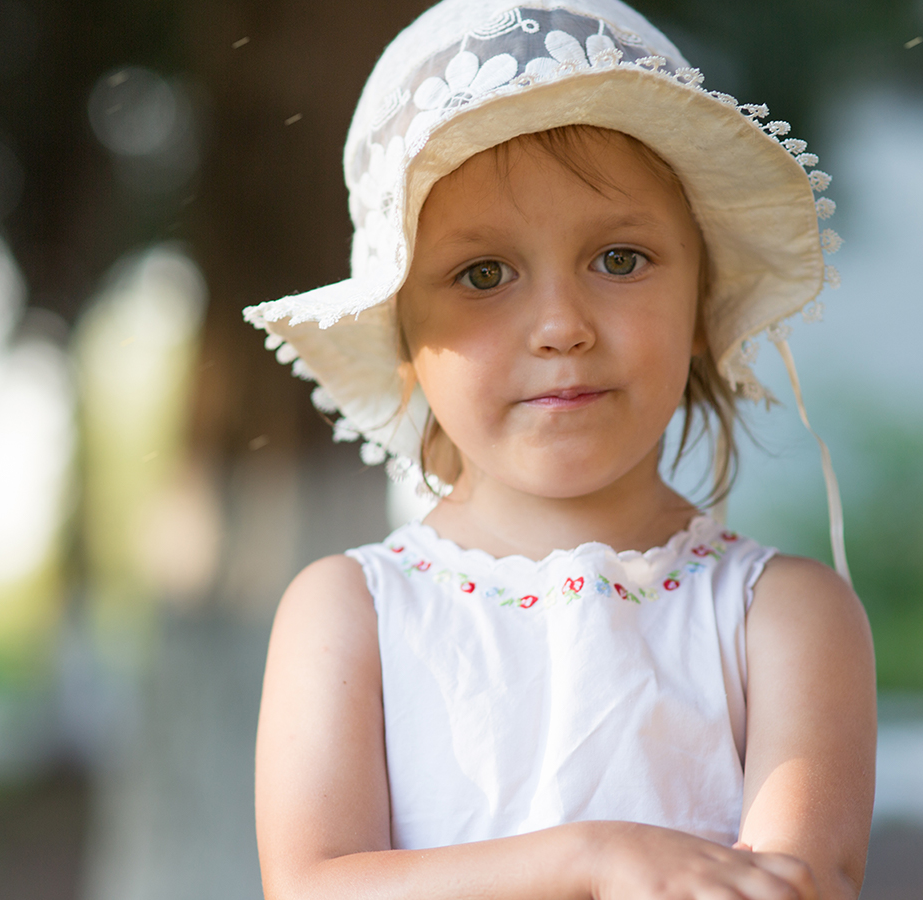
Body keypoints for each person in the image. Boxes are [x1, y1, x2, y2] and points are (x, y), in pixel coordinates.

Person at [246, 2, 876, 898]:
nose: (561, 327)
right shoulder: (352, 613)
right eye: (483, 274)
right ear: (403, 337)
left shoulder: (782, 619)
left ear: (704, 303)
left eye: (619, 259)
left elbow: (795, 883)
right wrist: (590, 857)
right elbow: (313, 887)